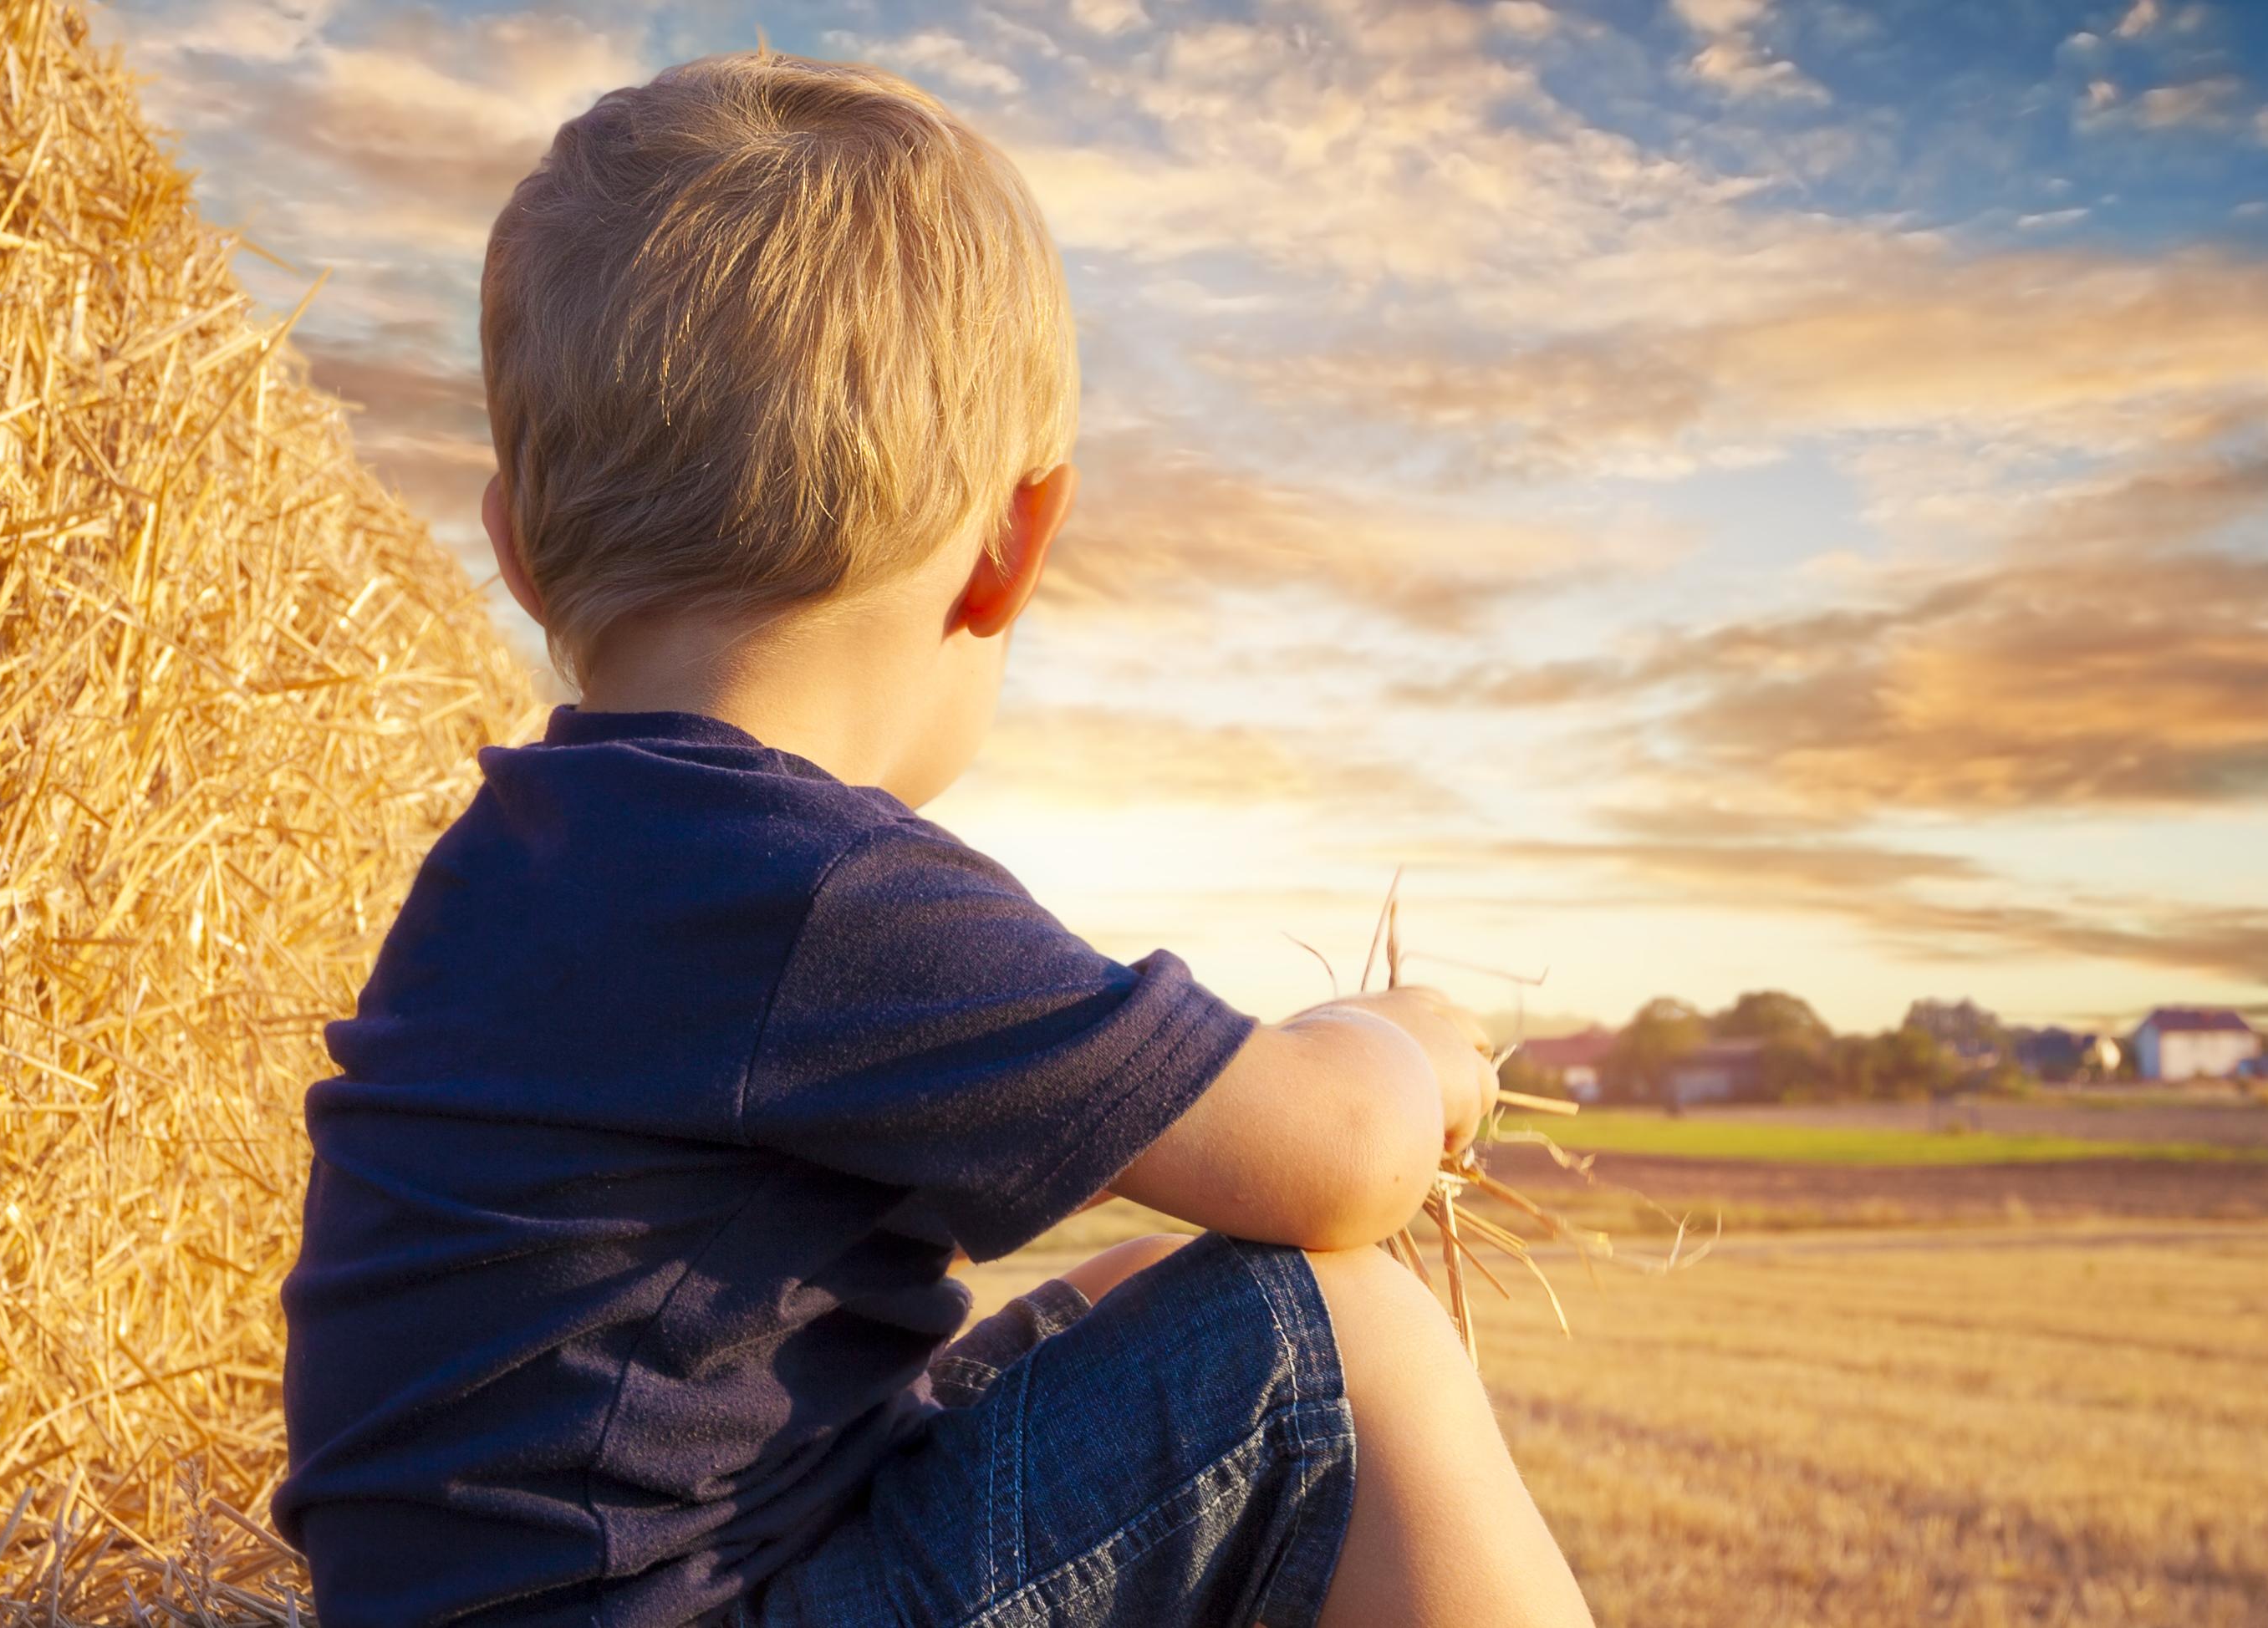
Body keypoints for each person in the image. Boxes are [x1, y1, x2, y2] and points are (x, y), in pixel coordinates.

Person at [272, 50, 1593, 1628]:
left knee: (1105, 1304)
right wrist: (1403, 1044)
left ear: (515, 552)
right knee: (1343, 1341)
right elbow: (1335, 1160)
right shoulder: (806, 893)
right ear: (1010, 547)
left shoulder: (542, 853)